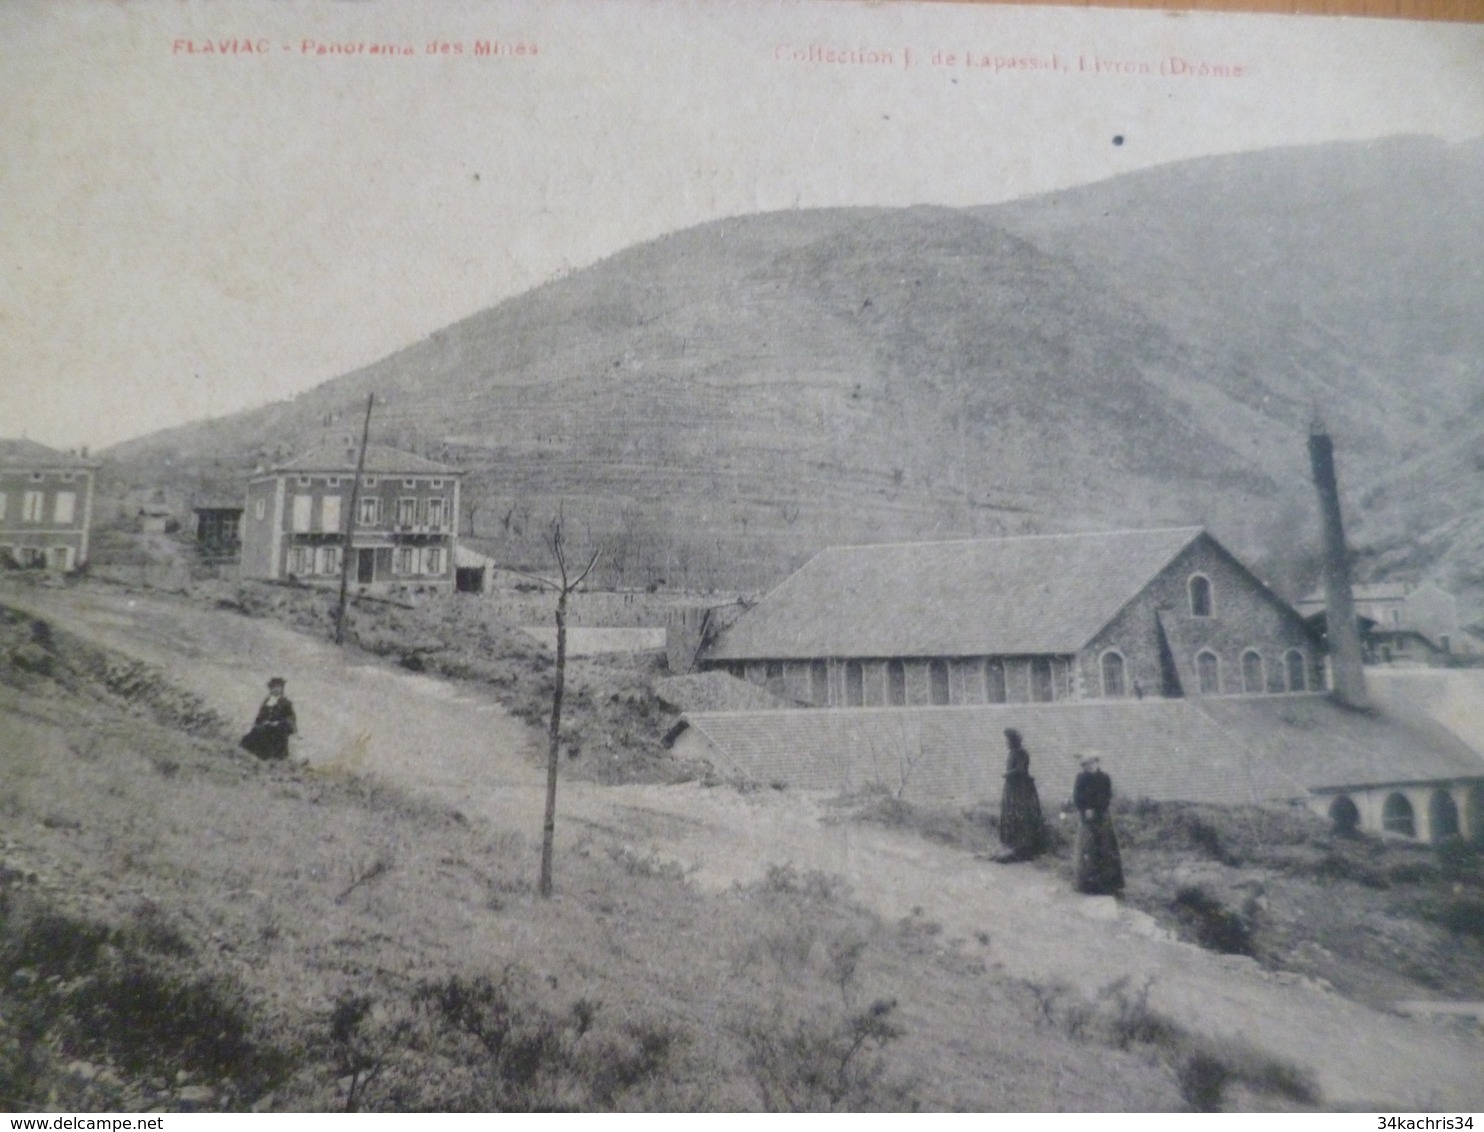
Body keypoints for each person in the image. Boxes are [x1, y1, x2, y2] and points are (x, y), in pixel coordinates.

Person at [1072, 754, 1124, 895]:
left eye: (1090, 763)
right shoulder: (1081, 778)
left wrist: (1096, 809)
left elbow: (1106, 796)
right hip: (1087, 820)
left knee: (1106, 848)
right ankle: (1087, 884)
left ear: (1096, 762)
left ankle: (1108, 884)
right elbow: (1077, 797)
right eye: (1084, 764)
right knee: (1087, 849)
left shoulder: (1105, 778)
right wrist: (1085, 809)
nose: (1088, 766)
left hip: (1102, 817)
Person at [998, 728, 1046, 860]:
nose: (1005, 743)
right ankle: (1011, 843)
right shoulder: (1012, 753)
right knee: (1011, 814)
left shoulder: (1021, 753)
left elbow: (1020, 770)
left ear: (1013, 741)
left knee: (1021, 815)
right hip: (1012, 788)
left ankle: (1022, 846)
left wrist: (1006, 774)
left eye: (1007, 740)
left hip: (1021, 789)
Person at [240, 676, 297, 761]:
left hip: (279, 731)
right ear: (270, 689)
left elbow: (291, 718)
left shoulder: (286, 703)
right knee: (253, 736)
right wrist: (263, 722)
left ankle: (276, 759)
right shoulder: (266, 702)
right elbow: (260, 717)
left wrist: (278, 723)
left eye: (278, 687)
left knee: (277, 740)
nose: (276, 689)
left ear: (282, 689)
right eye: (274, 687)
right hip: (266, 729)